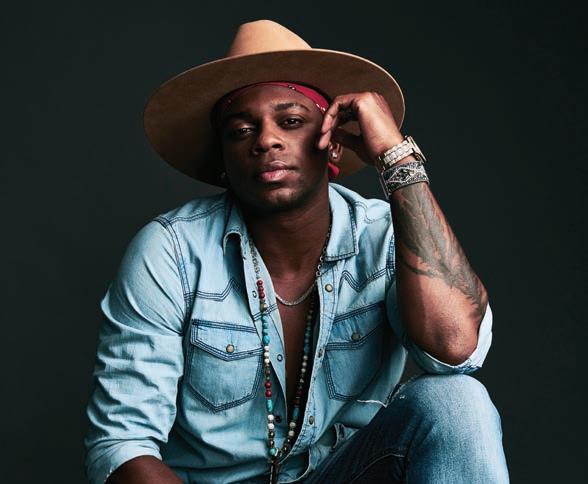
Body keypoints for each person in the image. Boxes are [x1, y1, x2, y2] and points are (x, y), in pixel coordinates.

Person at [84, 20, 509, 484]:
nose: (265, 140)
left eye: (290, 122)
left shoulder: (382, 238)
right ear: (223, 161)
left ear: (333, 144)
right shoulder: (171, 252)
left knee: (457, 402)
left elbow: (454, 349)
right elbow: (123, 445)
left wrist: (396, 157)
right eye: (240, 130)